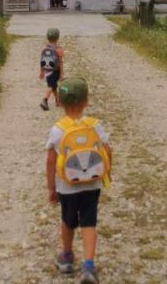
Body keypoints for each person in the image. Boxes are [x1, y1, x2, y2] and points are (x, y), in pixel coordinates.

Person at [46, 77, 112, 283]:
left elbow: (51, 162)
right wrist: (106, 174)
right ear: (86, 102)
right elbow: (107, 150)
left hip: (67, 186)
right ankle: (89, 266)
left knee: (68, 221)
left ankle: (67, 257)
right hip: (92, 184)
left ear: (59, 102)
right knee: (89, 222)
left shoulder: (58, 130)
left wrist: (51, 188)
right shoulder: (95, 126)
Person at [39, 27, 65, 111]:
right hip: (55, 71)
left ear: (47, 37)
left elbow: (42, 61)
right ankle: (45, 100)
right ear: (57, 37)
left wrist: (42, 72)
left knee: (54, 86)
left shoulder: (44, 49)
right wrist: (61, 74)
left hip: (47, 71)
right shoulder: (59, 49)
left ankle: (58, 101)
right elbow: (61, 62)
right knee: (51, 86)